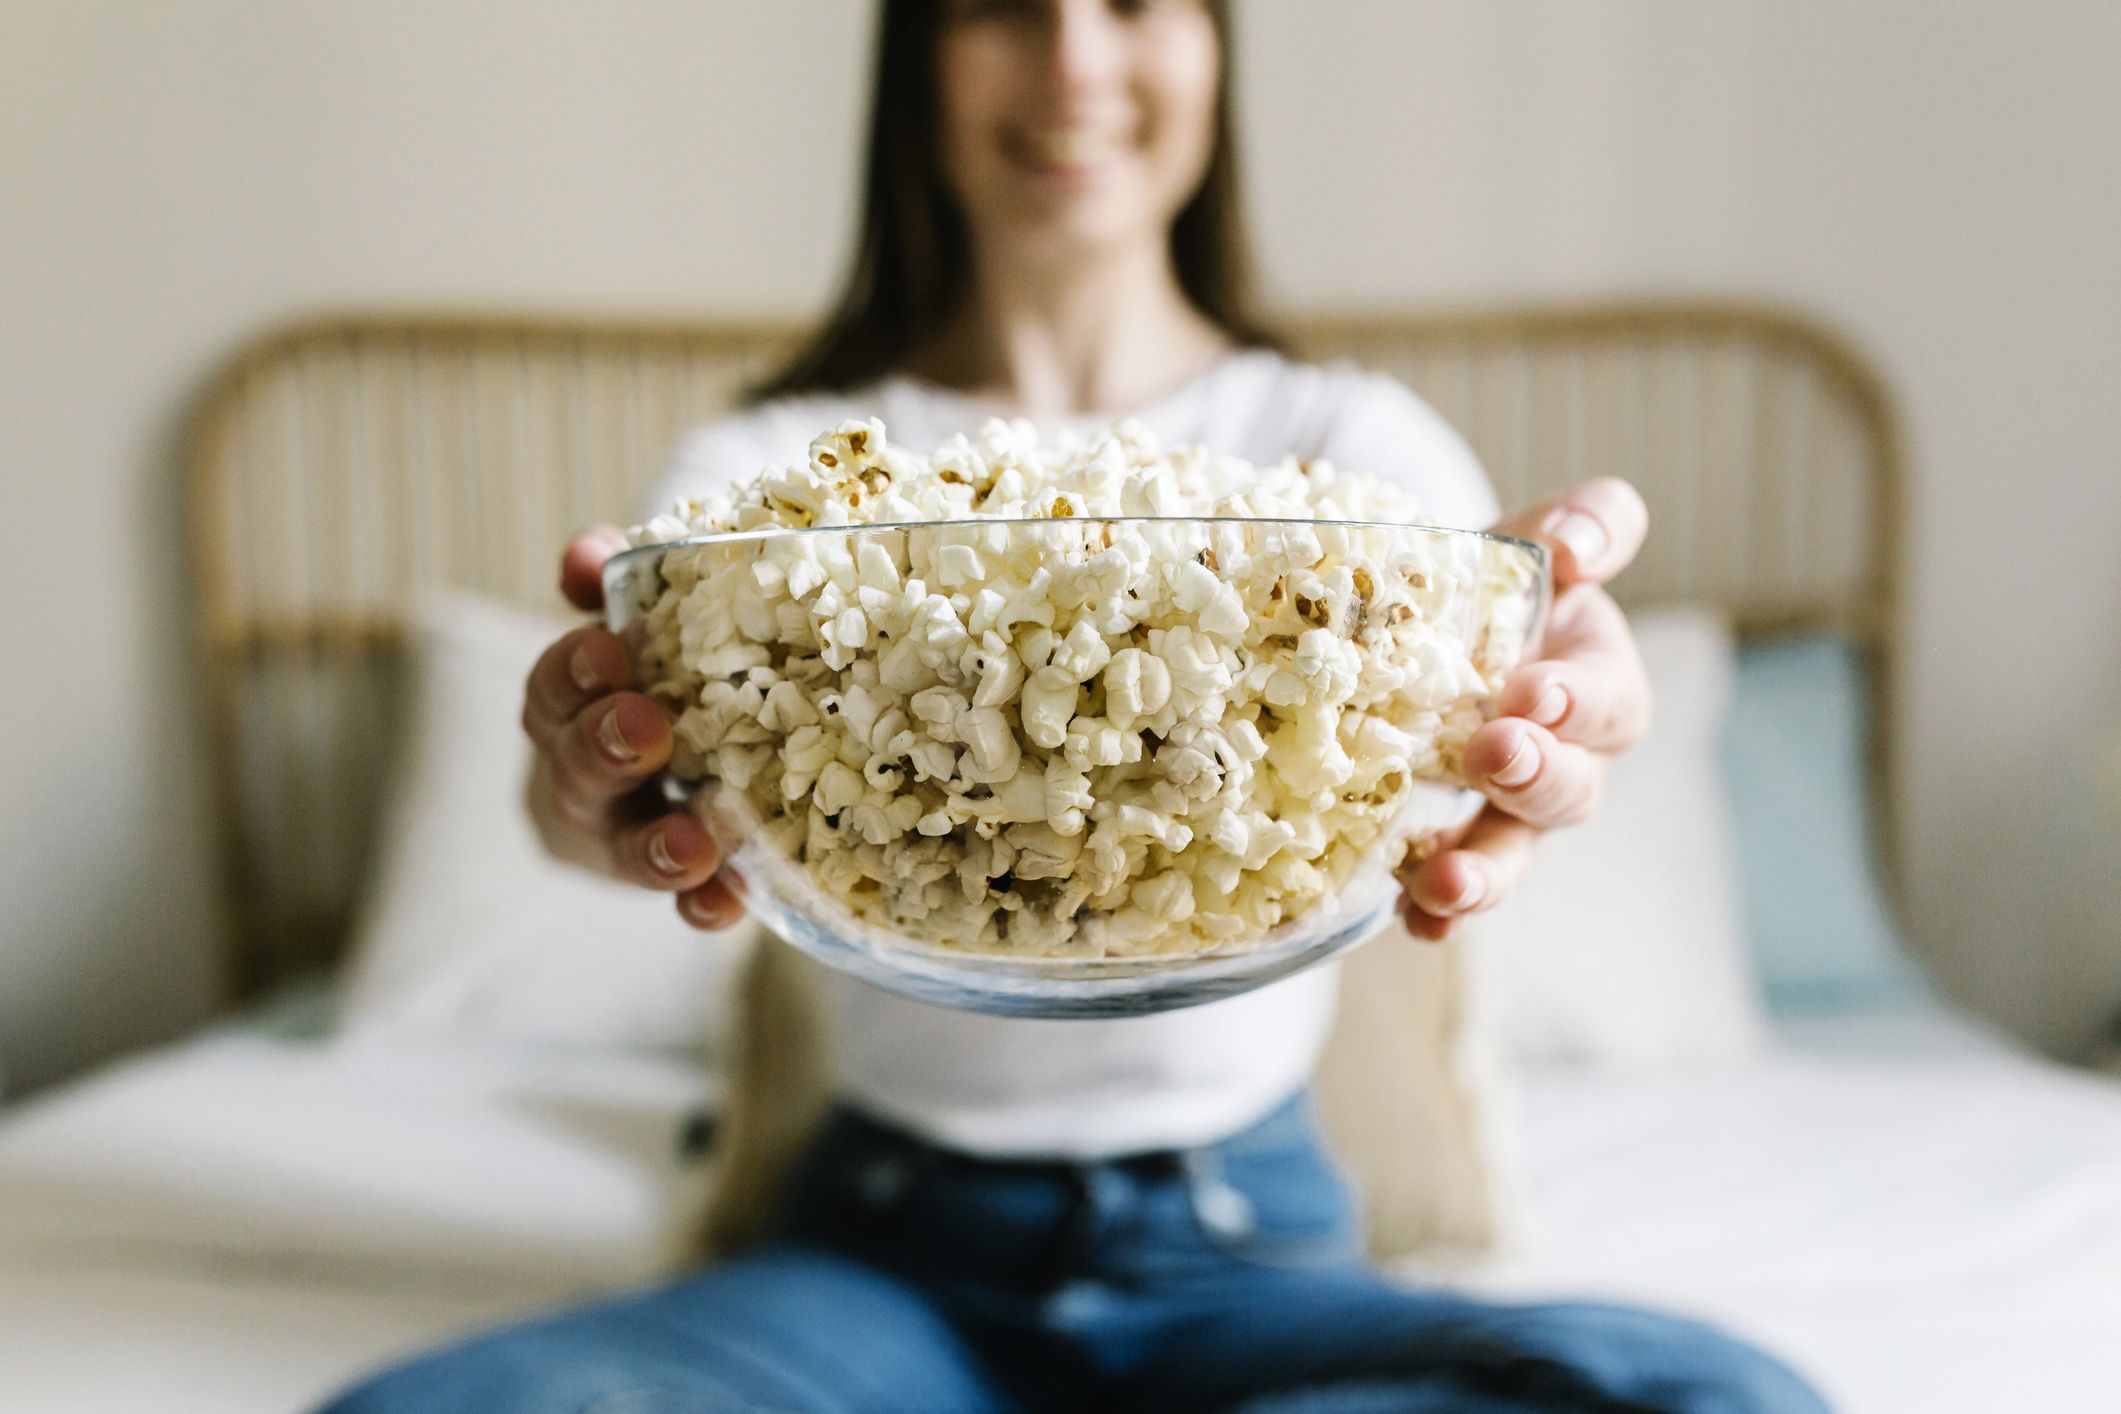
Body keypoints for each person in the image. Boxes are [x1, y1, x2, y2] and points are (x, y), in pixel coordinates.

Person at [324, 2, 1828, 1410]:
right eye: (1000, 3)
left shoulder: (1352, 452)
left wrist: (1555, 710)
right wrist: (587, 789)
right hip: (877, 1256)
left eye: (1132, 0)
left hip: (1251, 1256)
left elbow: (1482, 717)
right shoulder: (768, 478)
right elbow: (616, 780)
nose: (1071, 62)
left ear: (1213, 46)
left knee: (1714, 1394)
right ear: (918, 55)